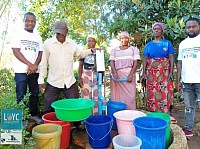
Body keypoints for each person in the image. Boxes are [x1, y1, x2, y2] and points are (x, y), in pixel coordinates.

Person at [38, 21, 99, 114]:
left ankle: (76, 125)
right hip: (53, 81)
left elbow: (80, 54)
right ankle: (51, 125)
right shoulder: (48, 44)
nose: (60, 35)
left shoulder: (72, 43)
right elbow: (43, 63)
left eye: (62, 33)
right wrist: (41, 79)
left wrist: (91, 50)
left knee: (75, 106)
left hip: (69, 81)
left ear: (66, 32)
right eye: (58, 33)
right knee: (48, 107)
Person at [11, 12, 43, 124]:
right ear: (24, 21)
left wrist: (34, 66)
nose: (31, 23)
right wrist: (30, 65)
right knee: (21, 94)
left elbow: (40, 53)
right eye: (28, 21)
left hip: (34, 71)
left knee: (34, 93)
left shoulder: (38, 37)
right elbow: (16, 51)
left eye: (33, 21)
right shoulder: (17, 34)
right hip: (21, 71)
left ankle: (33, 115)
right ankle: (23, 118)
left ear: (35, 23)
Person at [140, 22, 175, 113]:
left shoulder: (167, 43)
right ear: (152, 31)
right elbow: (145, 59)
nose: (156, 30)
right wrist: (143, 73)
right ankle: (153, 114)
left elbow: (171, 57)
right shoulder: (149, 45)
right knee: (151, 93)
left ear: (162, 31)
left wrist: (171, 72)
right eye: (154, 29)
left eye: (158, 29)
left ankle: (166, 114)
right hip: (151, 73)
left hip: (165, 72)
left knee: (166, 92)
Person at [177, 17, 200, 137]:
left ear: (199, 26)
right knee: (188, 107)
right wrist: (179, 80)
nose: (191, 29)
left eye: (193, 26)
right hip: (187, 81)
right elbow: (180, 62)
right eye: (188, 27)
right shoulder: (183, 44)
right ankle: (189, 129)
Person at [109, 31, 140, 110]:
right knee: (117, 96)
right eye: (122, 38)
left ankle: (130, 115)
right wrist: (115, 73)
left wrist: (131, 75)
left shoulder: (134, 49)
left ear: (129, 39)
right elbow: (112, 62)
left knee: (130, 96)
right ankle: (118, 115)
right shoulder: (114, 50)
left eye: (126, 38)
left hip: (129, 75)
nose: (124, 40)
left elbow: (135, 63)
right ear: (120, 39)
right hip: (117, 77)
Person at [78, 35, 99, 100]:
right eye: (89, 41)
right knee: (85, 93)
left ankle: (95, 110)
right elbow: (80, 66)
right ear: (87, 42)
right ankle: (86, 110)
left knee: (96, 94)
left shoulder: (98, 52)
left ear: (95, 43)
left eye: (93, 41)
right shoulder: (84, 52)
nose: (91, 43)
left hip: (95, 74)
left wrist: (101, 77)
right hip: (86, 74)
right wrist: (79, 78)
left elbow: (100, 66)